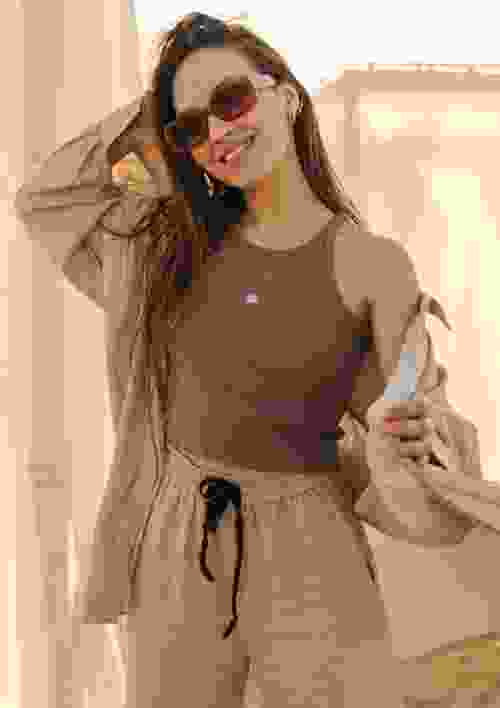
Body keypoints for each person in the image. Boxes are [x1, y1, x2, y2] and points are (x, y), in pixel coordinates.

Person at [14, 12, 484, 708]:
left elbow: (424, 458)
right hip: (176, 536)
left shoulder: (373, 264)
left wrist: (406, 442)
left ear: (288, 98)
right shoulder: (159, 250)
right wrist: (159, 115)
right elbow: (47, 197)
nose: (217, 132)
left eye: (232, 100)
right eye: (190, 126)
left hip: (312, 544)